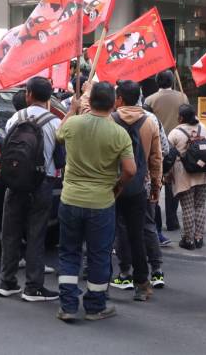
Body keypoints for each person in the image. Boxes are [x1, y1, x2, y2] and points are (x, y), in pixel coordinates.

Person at [55, 82, 136, 322]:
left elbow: (59, 134)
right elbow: (130, 169)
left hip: (70, 199)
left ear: (88, 103)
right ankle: (95, 306)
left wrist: (72, 108)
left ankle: (68, 306)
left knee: (69, 252)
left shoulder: (73, 124)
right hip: (101, 202)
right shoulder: (118, 133)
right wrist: (118, 186)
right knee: (99, 255)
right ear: (114, 104)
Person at [0, 77, 62, 302]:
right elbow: (60, 158)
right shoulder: (55, 122)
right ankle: (33, 287)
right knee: (36, 234)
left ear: (28, 94)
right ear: (48, 97)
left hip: (14, 181)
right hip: (42, 182)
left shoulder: (15, 118)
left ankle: (7, 282)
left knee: (10, 232)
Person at [110, 80, 162, 301]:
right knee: (137, 234)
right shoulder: (150, 122)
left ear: (119, 98)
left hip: (111, 186)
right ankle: (142, 283)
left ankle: (112, 277)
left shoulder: (109, 120)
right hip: (138, 186)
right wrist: (156, 186)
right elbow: (156, 158)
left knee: (108, 233)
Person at [144, 70, 187, 232]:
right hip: (177, 146)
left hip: (157, 147)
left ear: (157, 82)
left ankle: (155, 220)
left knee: (156, 183)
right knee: (172, 185)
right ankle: (172, 220)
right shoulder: (182, 97)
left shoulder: (150, 99)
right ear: (172, 81)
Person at [168, 104, 206, 250]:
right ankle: (199, 238)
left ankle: (188, 240)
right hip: (205, 171)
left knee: (187, 207)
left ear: (181, 117)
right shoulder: (202, 126)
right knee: (200, 205)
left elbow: (169, 154)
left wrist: (167, 175)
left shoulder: (175, 133)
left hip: (185, 174)